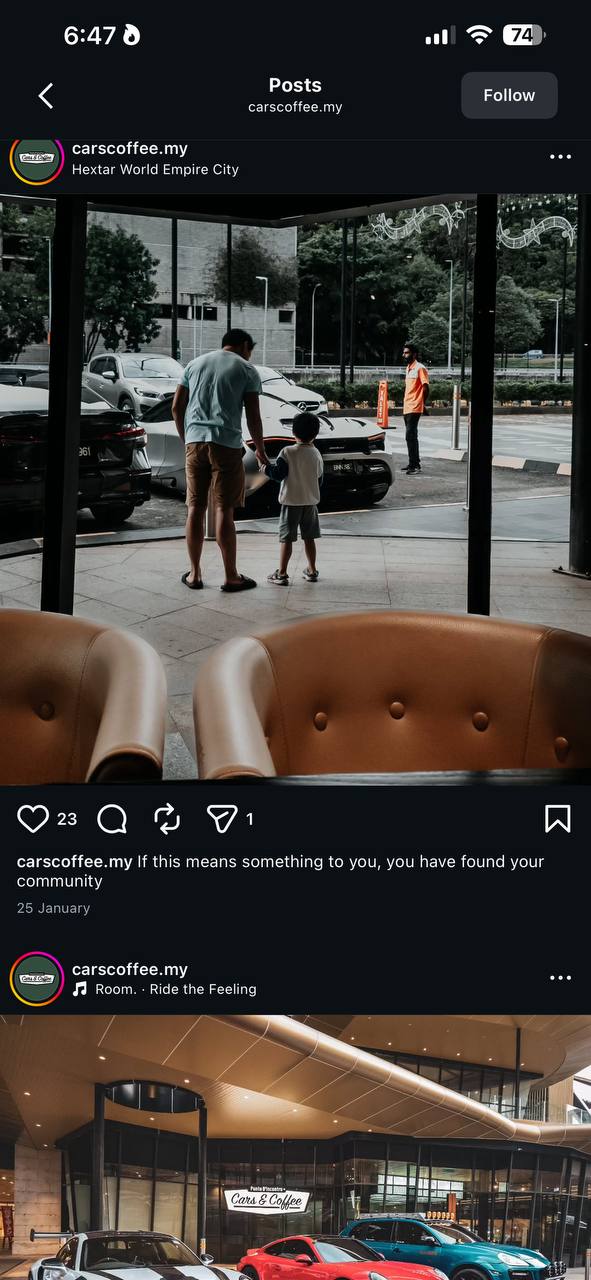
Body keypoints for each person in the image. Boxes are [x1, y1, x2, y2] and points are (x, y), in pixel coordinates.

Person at [172, 329, 268, 592]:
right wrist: (259, 449)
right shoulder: (247, 370)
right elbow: (254, 417)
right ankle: (230, 576)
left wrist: (187, 439)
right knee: (224, 510)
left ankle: (195, 574)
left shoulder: (194, 364)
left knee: (195, 508)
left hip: (195, 442)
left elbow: (176, 407)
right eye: (250, 349)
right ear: (244, 345)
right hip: (226, 444)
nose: (250, 354)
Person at [261, 412, 324, 585]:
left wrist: (264, 467)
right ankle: (311, 570)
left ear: (293, 432)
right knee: (309, 538)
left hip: (290, 502)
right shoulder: (316, 453)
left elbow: (278, 474)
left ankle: (281, 574)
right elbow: (319, 478)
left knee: (287, 539)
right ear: (316, 434)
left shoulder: (287, 452)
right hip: (310, 503)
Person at [401, 340, 429, 475]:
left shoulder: (420, 368)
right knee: (410, 436)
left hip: (415, 406)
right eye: (404, 352)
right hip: (407, 406)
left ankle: (415, 465)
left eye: (407, 353)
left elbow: (426, 387)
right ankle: (413, 462)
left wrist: (422, 403)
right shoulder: (408, 368)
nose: (404, 355)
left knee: (410, 435)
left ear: (414, 354)